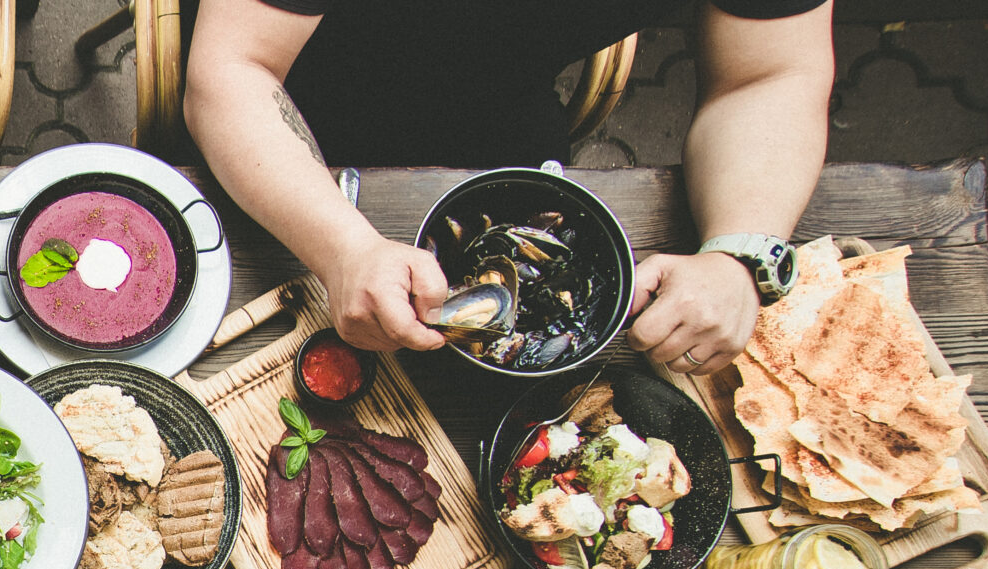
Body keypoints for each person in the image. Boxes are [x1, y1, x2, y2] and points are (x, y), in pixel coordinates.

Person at [182, 0, 833, 374]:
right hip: (287, 102)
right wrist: (343, 247)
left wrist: (741, 252)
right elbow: (233, 69)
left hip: (500, 110)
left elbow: (772, 74)